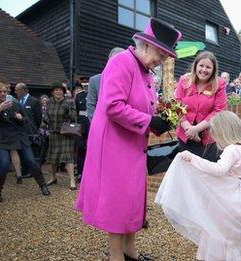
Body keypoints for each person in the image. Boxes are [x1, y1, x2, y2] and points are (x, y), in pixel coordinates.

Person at [75, 17, 181, 261]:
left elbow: (144, 108)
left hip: (132, 146)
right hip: (114, 146)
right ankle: (116, 257)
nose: (162, 61)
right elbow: (113, 105)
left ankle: (130, 252)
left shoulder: (146, 72)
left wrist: (160, 120)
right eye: (162, 54)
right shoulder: (122, 62)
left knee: (133, 201)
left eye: (165, 56)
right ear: (146, 45)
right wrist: (148, 121)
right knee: (118, 202)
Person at [155, 111, 241, 261]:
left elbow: (219, 170)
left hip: (230, 200)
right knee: (231, 238)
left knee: (219, 234)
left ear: (223, 132)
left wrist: (193, 158)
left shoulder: (232, 150)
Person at [0, 83, 50, 203]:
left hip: (19, 136)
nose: (3, 94)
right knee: (3, 163)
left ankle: (43, 185)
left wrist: (20, 118)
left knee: (31, 161)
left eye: (5, 92)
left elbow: (26, 120)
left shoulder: (15, 104)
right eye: (0, 92)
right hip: (2, 138)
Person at [175, 51, 227, 162]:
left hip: (209, 139)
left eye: (208, 67)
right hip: (185, 136)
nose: (204, 70)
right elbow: (177, 104)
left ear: (213, 70)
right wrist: (188, 128)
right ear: (195, 66)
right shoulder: (184, 80)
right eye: (201, 66)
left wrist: (196, 129)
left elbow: (218, 111)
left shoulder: (220, 84)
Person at [45, 81, 78, 190]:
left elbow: (74, 118)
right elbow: (46, 116)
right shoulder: (49, 102)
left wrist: (68, 111)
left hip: (66, 132)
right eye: (56, 90)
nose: (58, 91)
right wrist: (46, 122)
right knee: (53, 156)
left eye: (60, 90)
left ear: (63, 91)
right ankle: (53, 177)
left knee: (68, 157)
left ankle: (72, 180)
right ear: (53, 92)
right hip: (54, 133)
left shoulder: (69, 101)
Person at [86, 47, 125, 122]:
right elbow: (91, 105)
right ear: (109, 61)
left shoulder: (128, 81)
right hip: (101, 125)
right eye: (115, 60)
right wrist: (96, 125)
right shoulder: (95, 80)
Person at [15, 82, 42, 178]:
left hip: (31, 132)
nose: (15, 92)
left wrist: (34, 128)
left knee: (33, 152)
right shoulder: (17, 101)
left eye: (17, 90)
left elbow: (38, 118)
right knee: (22, 151)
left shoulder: (34, 101)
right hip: (20, 131)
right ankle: (24, 170)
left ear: (23, 90)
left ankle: (33, 171)